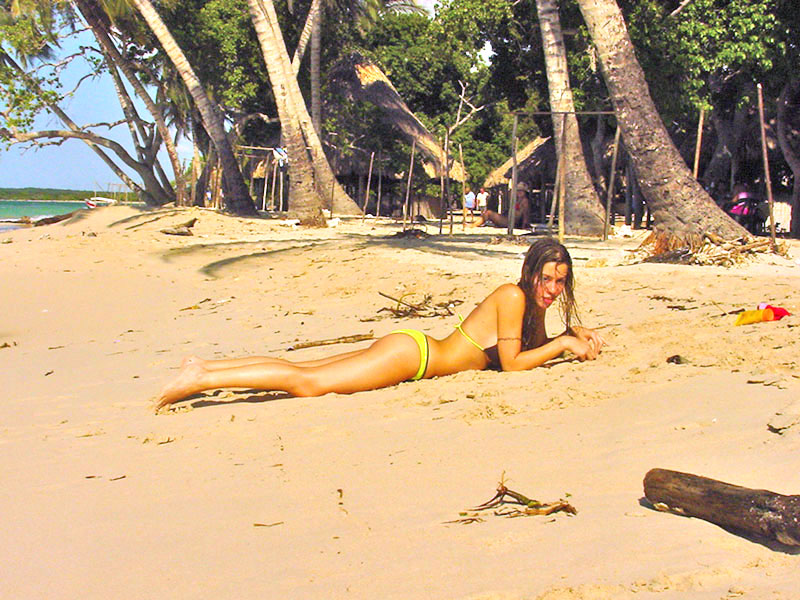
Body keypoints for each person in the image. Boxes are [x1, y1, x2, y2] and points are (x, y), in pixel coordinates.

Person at [154, 238, 606, 411]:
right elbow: (512, 364)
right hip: (414, 356)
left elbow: (530, 349)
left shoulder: (533, 305)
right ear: (530, 273)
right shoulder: (513, 295)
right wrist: (565, 345)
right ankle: (200, 380)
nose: (551, 288)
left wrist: (570, 333)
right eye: (546, 279)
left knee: (305, 371)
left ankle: (209, 369)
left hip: (413, 350)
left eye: (559, 282)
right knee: (307, 383)